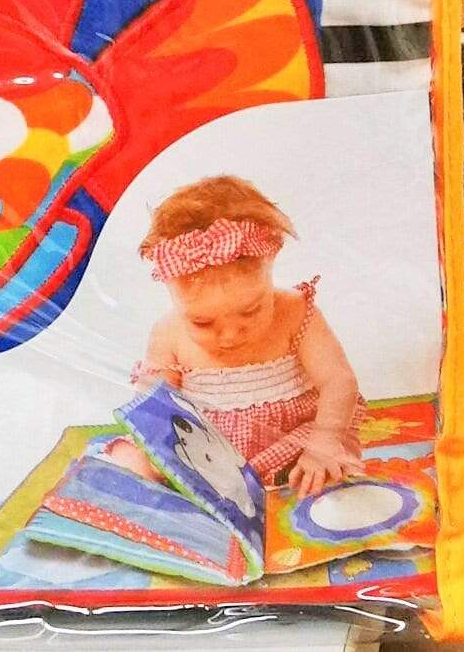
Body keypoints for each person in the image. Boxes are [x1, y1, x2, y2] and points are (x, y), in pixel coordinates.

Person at [108, 175, 366, 497]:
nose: (230, 336)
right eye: (203, 322)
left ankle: (302, 480)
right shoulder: (169, 333)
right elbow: (154, 403)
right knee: (134, 458)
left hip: (293, 439)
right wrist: (157, 447)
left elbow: (338, 380)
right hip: (207, 449)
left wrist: (325, 440)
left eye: (250, 311)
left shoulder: (296, 311)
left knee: (333, 472)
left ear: (269, 263)